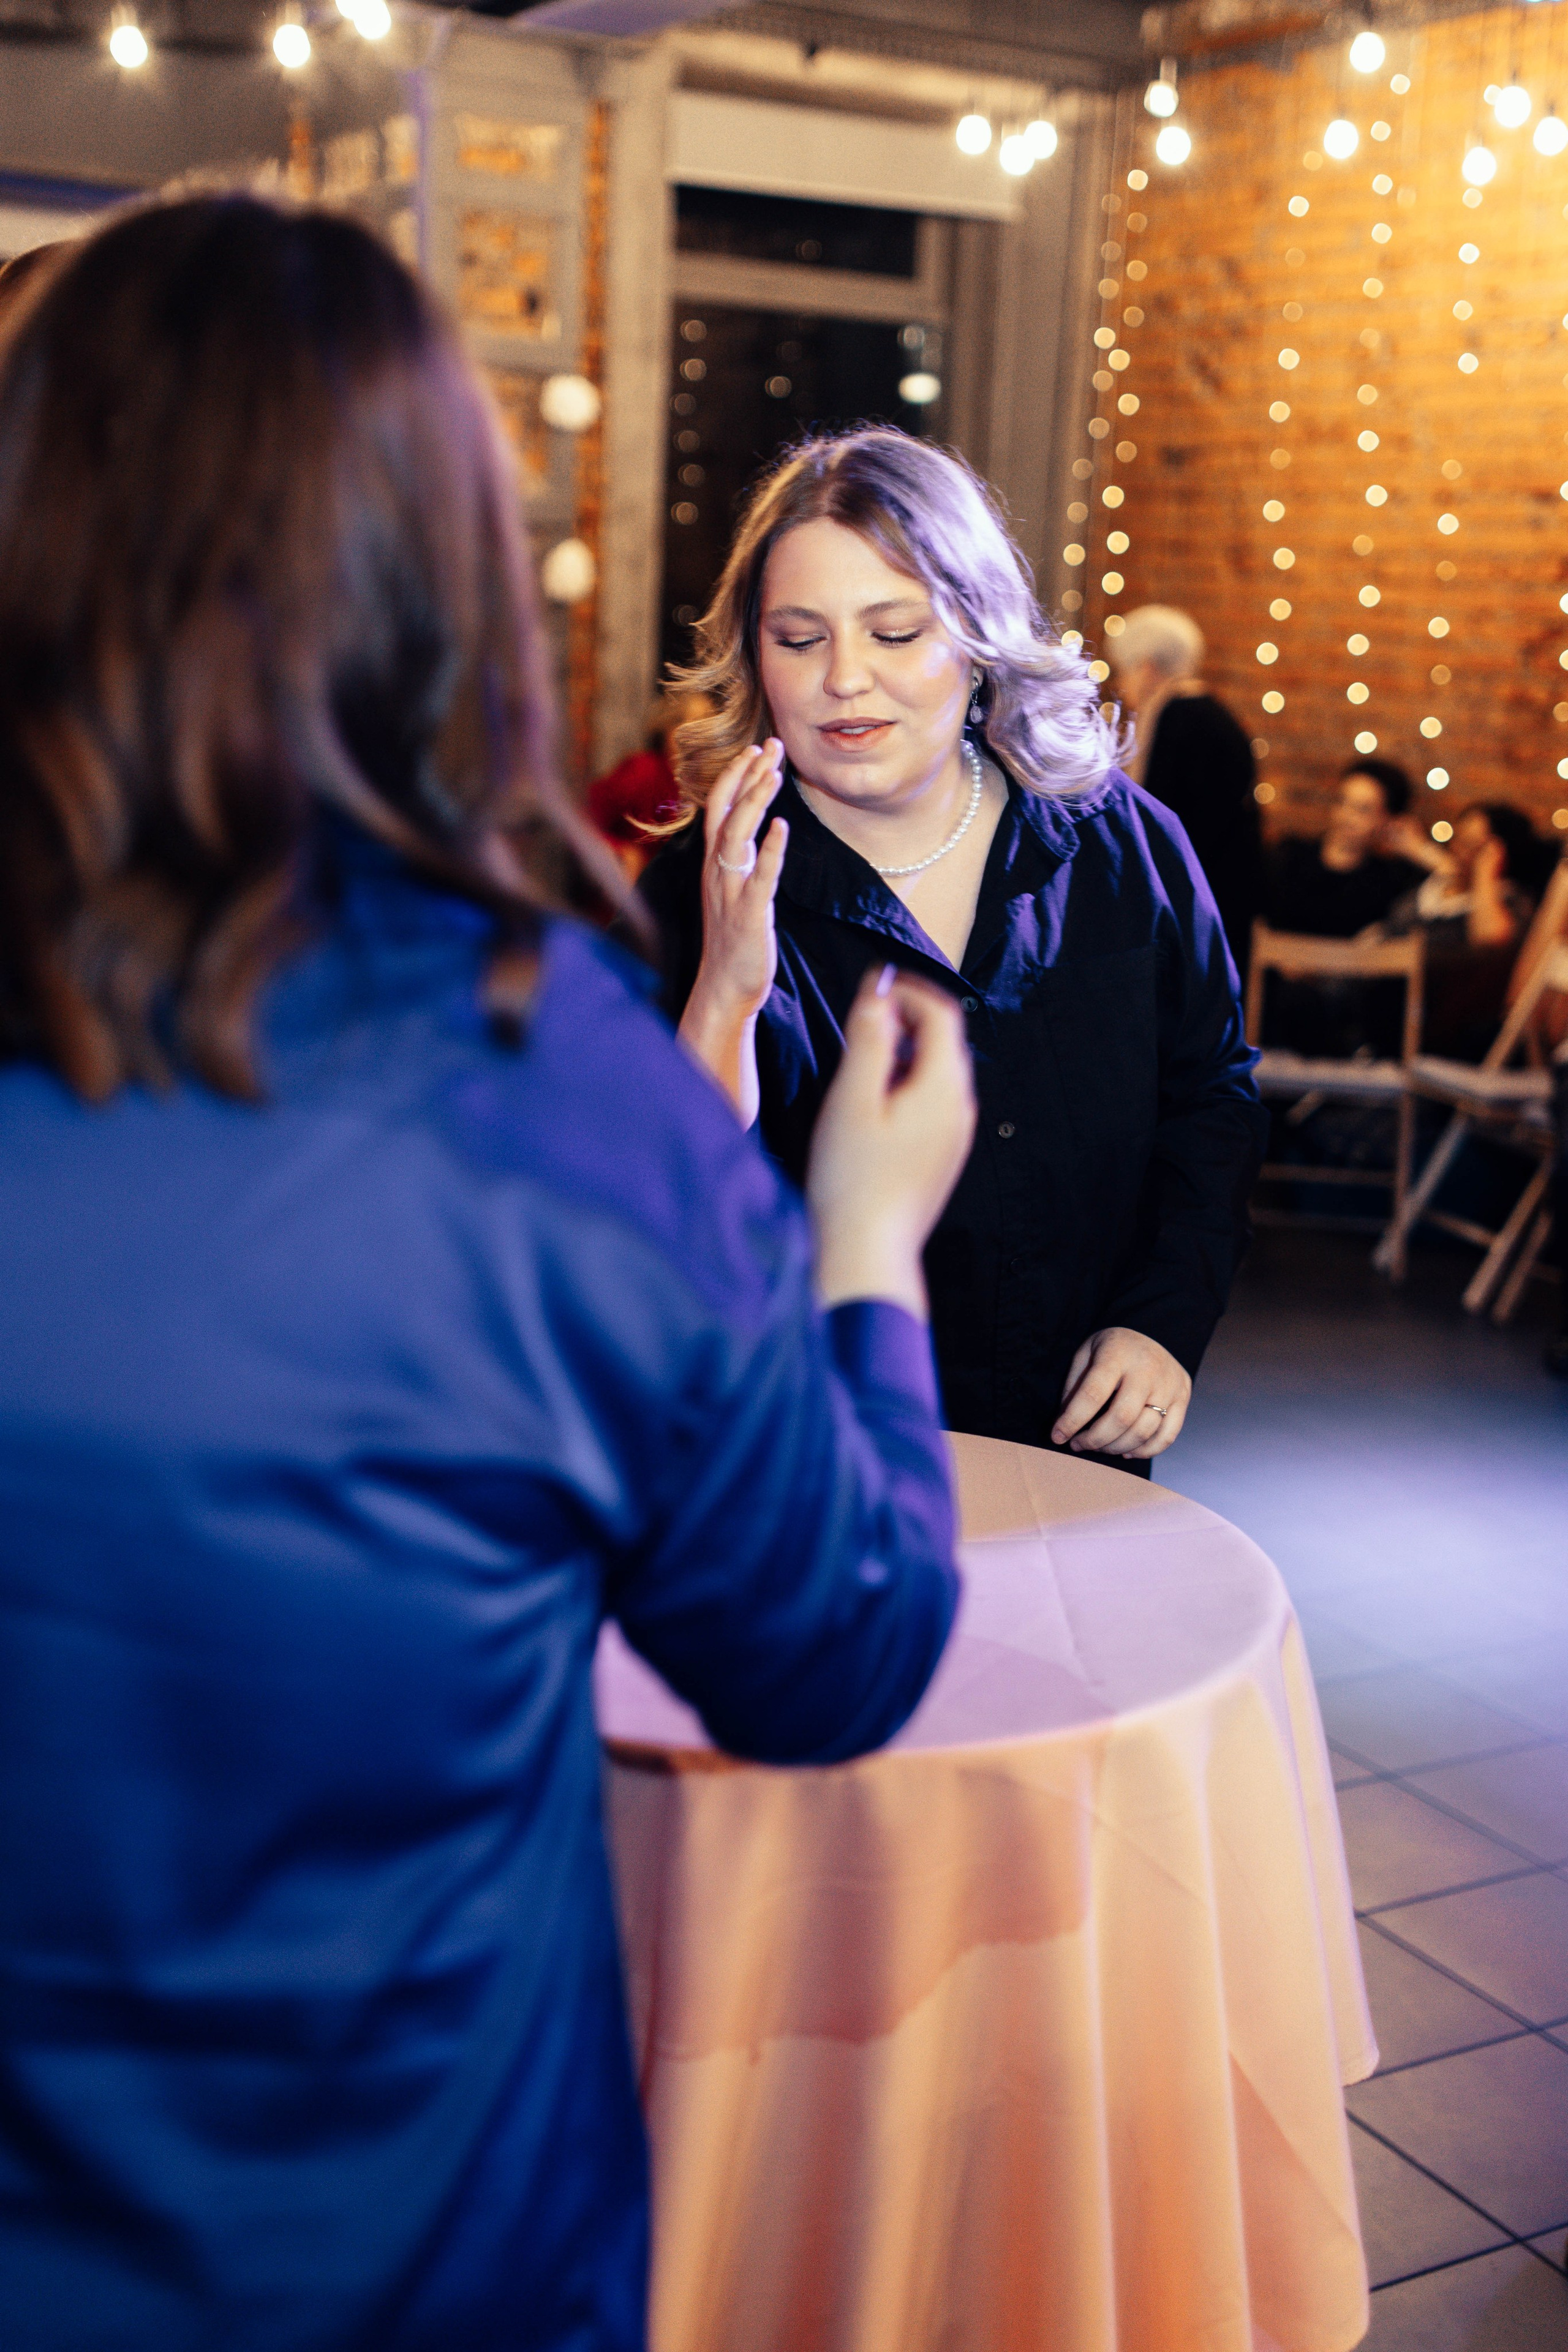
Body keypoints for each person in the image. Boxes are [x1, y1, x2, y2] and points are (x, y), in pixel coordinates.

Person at [0, 198, 978, 2351]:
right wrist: (866, 1245)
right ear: (438, 583)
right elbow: (839, 1649)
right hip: (415, 2252)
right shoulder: (554, 1105)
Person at [639, 429, 1267, 1472]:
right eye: (800, 640)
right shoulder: (704, 880)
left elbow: (1212, 1096)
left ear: (978, 638)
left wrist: (1164, 1320)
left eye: (893, 633)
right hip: (810, 1469)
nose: (846, 680)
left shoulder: (1123, 842)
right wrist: (723, 998)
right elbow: (657, 1203)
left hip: (1074, 1449)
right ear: (754, 655)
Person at [1109, 603, 1262, 978]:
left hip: (1193, 912)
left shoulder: (1175, 721)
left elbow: (1154, 823)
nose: (1119, 686)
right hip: (1223, 902)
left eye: (1122, 671)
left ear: (1147, 668)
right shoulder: (1213, 716)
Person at [1264, 756, 1429, 940]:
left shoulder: (1391, 879)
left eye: (1363, 810)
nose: (1346, 816)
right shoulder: (1291, 856)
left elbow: (1448, 892)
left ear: (1388, 820)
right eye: (1341, 802)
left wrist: (1419, 850)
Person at [585, 690, 710, 880]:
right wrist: (622, 851)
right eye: (683, 723)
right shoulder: (643, 771)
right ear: (667, 729)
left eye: (703, 726)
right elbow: (583, 819)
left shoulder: (708, 786)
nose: (693, 735)